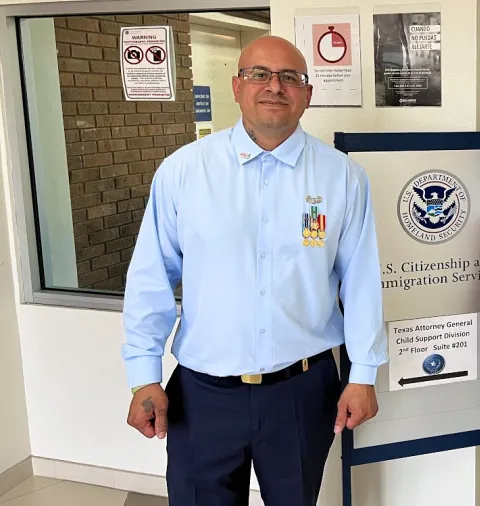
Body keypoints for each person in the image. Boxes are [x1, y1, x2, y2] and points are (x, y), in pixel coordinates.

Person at [121, 35, 387, 505]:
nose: (274, 86)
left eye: (290, 77)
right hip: (203, 395)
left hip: (300, 393)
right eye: (259, 74)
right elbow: (150, 278)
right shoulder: (184, 171)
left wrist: (363, 373)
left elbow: (361, 282)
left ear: (307, 94)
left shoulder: (342, 177)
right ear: (237, 86)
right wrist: (144, 373)